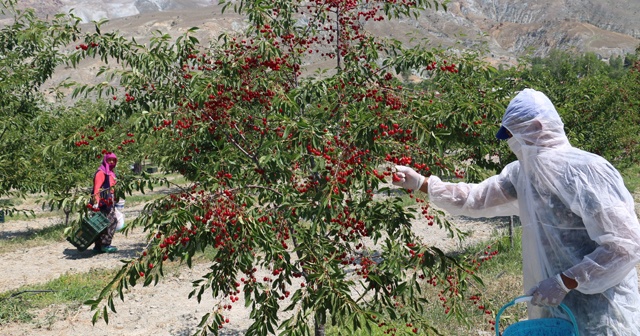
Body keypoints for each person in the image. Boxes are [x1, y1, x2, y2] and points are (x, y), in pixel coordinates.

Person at [392, 88, 640, 335]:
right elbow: (476, 198)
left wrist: (565, 281)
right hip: (553, 305)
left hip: (603, 308)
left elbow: (626, 245)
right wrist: (422, 183)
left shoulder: (587, 172)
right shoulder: (523, 174)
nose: (513, 145)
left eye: (516, 136)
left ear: (539, 127)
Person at [92, 152, 119, 253]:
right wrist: (95, 203)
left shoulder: (111, 173)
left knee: (101, 223)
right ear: (105, 160)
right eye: (109, 160)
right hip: (102, 203)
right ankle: (105, 244)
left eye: (113, 160)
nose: (111, 162)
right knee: (111, 222)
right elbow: (97, 188)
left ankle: (98, 246)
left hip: (108, 201)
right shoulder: (101, 172)